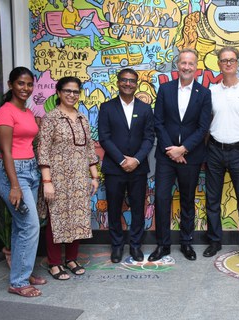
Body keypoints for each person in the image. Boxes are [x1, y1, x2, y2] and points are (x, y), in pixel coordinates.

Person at [149, 49, 212, 262]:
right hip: (166, 156)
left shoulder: (204, 93)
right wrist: (171, 150)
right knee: (162, 199)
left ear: (196, 67)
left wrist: (183, 149)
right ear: (178, 65)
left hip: (191, 157)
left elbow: (203, 127)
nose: (186, 67)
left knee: (187, 200)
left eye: (191, 63)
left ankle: (186, 243)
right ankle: (162, 245)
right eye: (183, 63)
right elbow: (158, 121)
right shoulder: (165, 89)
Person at [204, 46, 239, 267]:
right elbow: (206, 124)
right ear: (218, 64)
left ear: (238, 63)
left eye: (231, 60)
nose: (227, 63)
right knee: (212, 201)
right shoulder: (211, 91)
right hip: (214, 151)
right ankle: (215, 241)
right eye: (223, 60)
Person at [38, 77, 99, 280]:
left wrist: (94, 176)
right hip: (57, 179)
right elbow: (43, 150)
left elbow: (90, 148)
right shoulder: (51, 118)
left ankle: (71, 259)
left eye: (75, 91)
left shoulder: (82, 118)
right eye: (67, 91)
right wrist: (47, 182)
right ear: (59, 92)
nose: (72, 95)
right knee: (56, 219)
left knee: (78, 218)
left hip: (80, 178)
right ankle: (54, 263)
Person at [0, 67, 46, 297]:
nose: (25, 88)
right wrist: (14, 185)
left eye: (29, 84)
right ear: (10, 84)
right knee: (30, 225)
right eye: (20, 84)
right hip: (13, 174)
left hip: (31, 171)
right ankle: (18, 282)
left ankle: (21, 272)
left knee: (20, 226)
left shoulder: (26, 111)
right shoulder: (5, 112)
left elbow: (28, 141)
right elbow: (6, 152)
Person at [98, 68, 154, 263]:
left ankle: (136, 246)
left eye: (131, 81)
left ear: (136, 83)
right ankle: (117, 247)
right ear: (118, 82)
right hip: (114, 168)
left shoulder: (145, 109)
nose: (128, 83)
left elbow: (149, 138)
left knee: (138, 208)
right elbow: (104, 138)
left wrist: (136, 160)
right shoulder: (107, 107)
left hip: (138, 169)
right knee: (114, 209)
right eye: (124, 80)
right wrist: (122, 160)